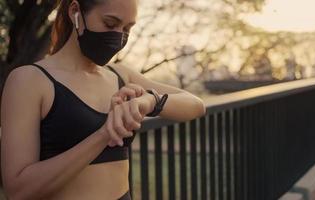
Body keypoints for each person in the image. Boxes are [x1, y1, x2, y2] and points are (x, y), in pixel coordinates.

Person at [0, 0, 206, 199]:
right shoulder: (29, 80)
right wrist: (104, 135)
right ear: (75, 12)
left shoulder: (120, 76)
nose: (118, 37)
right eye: (110, 23)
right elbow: (18, 190)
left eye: (127, 29)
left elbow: (195, 105)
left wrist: (149, 101)